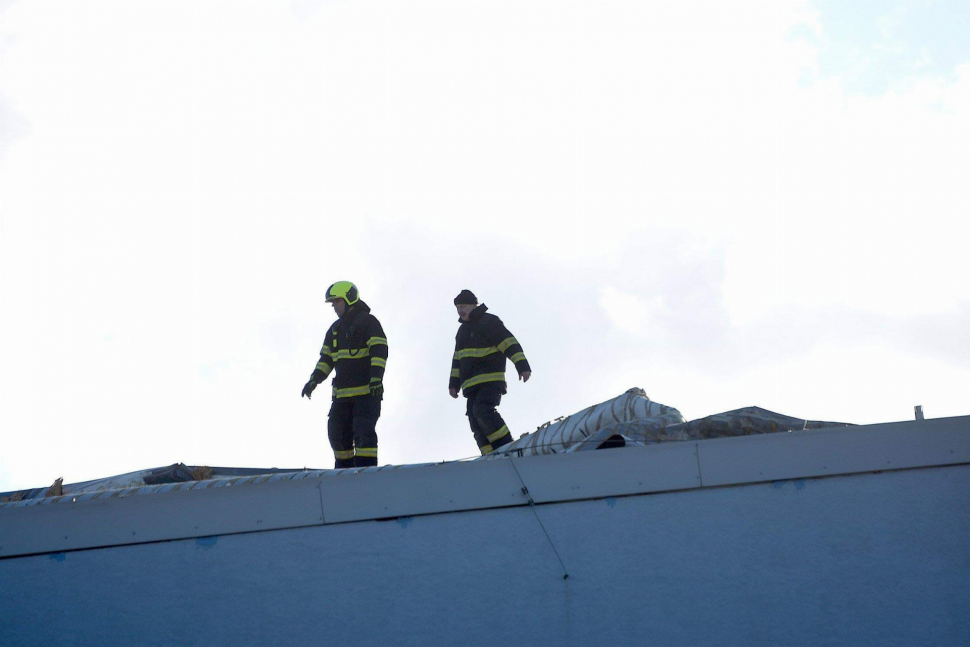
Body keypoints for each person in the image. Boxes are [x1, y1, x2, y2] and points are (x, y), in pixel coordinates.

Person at [302, 281, 387, 468]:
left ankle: (366, 473)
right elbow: (326, 359)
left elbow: (380, 351)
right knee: (337, 434)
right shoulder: (334, 330)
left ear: (349, 299)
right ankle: (344, 476)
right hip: (341, 396)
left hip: (366, 394)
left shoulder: (368, 322)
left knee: (363, 433)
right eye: (332, 302)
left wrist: (375, 379)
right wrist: (313, 380)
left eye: (336, 301)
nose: (333, 306)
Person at [449, 290, 531, 455]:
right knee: (474, 419)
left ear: (474, 305)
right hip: (471, 386)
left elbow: (509, 343)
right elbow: (457, 359)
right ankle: (489, 455)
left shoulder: (489, 322)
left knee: (482, 410)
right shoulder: (462, 332)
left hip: (490, 381)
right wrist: (453, 384)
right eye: (457, 307)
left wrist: (522, 365)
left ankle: (506, 446)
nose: (460, 310)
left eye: (463, 306)